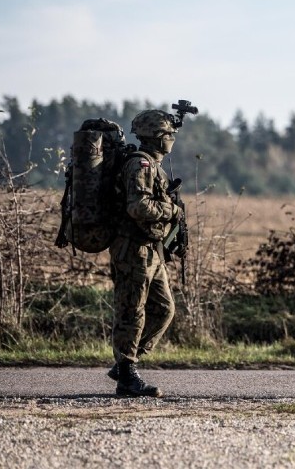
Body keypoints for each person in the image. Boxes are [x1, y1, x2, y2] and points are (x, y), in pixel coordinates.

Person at [107, 109, 182, 397]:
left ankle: (126, 362)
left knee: (164, 309)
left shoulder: (153, 165)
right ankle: (126, 375)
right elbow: (137, 207)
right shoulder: (139, 164)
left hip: (151, 249)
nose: (172, 139)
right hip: (132, 248)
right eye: (168, 135)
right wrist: (171, 210)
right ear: (156, 137)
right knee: (132, 311)